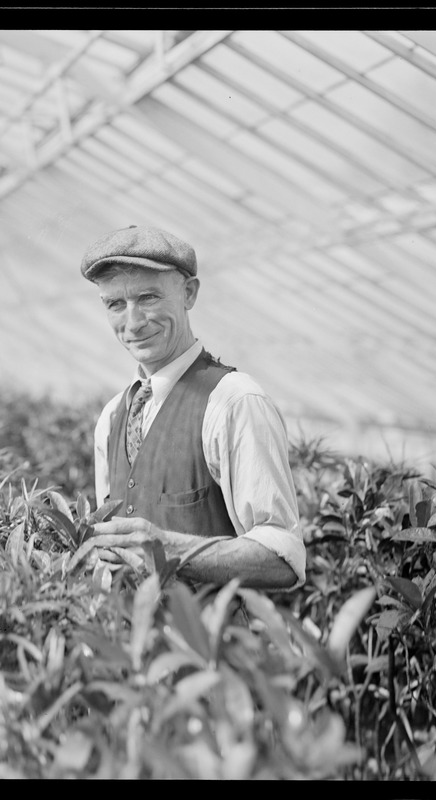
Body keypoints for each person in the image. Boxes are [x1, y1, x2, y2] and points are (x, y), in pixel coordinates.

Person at [81, 225, 305, 591]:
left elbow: (283, 560)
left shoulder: (234, 401)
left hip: (213, 646)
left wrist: (171, 549)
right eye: (115, 304)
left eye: (149, 297)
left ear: (189, 293)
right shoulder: (112, 417)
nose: (133, 322)